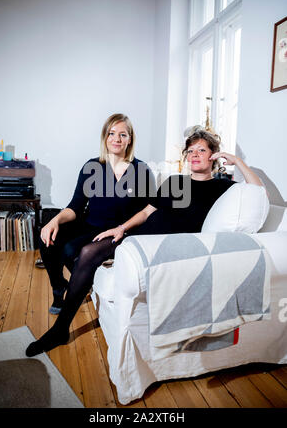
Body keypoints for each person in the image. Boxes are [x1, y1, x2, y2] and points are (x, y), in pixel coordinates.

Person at [26, 113, 155, 357]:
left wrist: (123, 228)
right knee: (48, 233)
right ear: (105, 137)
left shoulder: (142, 170)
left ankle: (61, 329)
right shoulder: (92, 167)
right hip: (89, 224)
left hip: (119, 231)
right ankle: (59, 288)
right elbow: (75, 206)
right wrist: (54, 220)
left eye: (122, 134)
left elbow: (148, 211)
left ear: (130, 140)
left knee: (80, 251)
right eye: (111, 133)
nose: (116, 138)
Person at [93, 127, 264, 241]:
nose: (195, 154)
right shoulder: (174, 181)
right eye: (190, 151)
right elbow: (146, 213)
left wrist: (237, 160)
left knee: (90, 254)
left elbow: (258, 193)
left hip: (165, 245)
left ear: (214, 155)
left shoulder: (223, 186)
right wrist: (121, 228)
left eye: (201, 150)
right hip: (142, 235)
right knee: (88, 251)